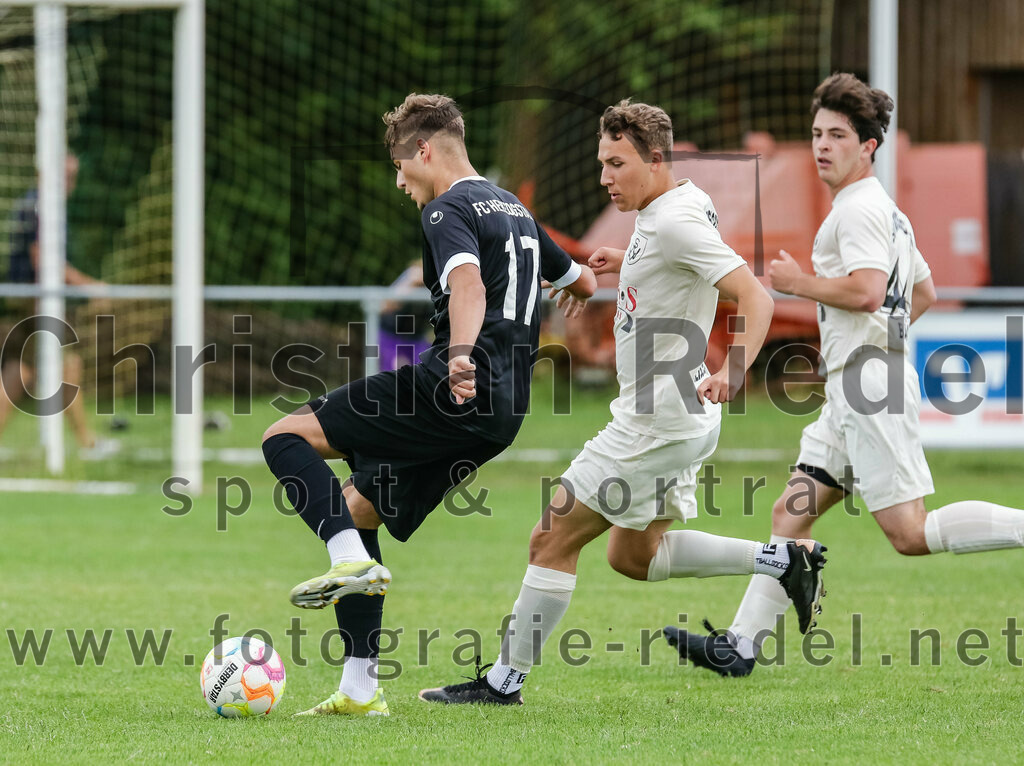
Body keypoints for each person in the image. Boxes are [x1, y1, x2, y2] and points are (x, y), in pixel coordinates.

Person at [419, 100, 827, 706]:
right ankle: (783, 559)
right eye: (602, 164)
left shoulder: (673, 223)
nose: (605, 178)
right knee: (634, 556)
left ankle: (503, 683)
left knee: (549, 538)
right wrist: (625, 269)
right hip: (679, 419)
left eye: (616, 164)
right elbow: (674, 265)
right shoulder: (670, 206)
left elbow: (755, 296)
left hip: (654, 422)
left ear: (656, 159)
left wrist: (734, 369)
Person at [670, 72, 1024, 678]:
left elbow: (864, 292)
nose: (822, 145)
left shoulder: (859, 211)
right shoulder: (886, 211)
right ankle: (740, 647)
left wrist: (799, 285)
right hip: (855, 389)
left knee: (909, 534)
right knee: (790, 512)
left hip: (869, 388)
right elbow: (926, 291)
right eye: (816, 134)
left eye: (837, 134)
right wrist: (879, 346)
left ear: (869, 146)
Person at [260, 93, 597, 716]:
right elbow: (581, 280)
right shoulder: (515, 208)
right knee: (360, 507)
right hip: (503, 413)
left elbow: (465, 283)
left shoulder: (448, 211)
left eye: (399, 166)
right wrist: (577, 281)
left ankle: (345, 563)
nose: (398, 181)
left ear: (424, 151)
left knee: (284, 437)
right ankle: (361, 691)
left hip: (454, 386)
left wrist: (463, 351)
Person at [1, 153, 103, 450]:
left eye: (73, 176)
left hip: (29, 298)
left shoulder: (38, 204)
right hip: (36, 300)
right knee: (65, 364)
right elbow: (42, 258)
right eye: (65, 176)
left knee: (21, 369)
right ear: (43, 174)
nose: (70, 183)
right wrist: (88, 286)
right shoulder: (41, 206)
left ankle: (87, 441)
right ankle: (87, 442)